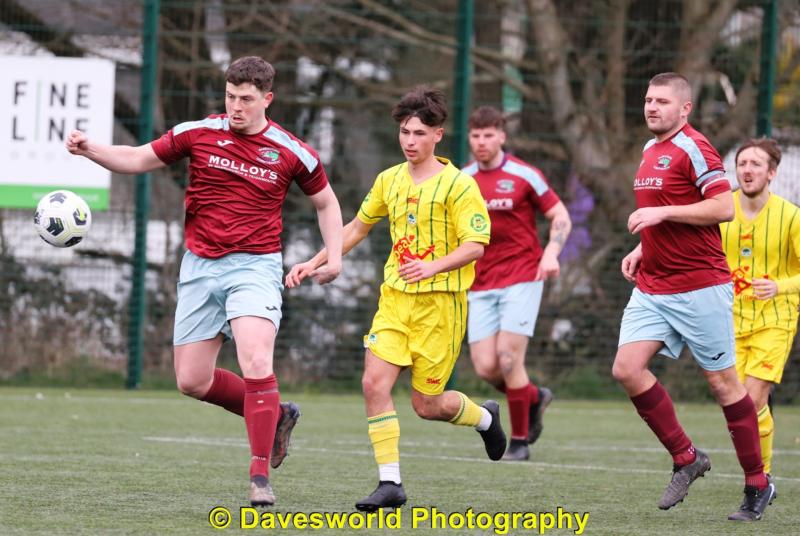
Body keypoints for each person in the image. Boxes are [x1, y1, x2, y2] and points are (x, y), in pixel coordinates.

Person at [66, 56, 343, 507]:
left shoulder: (292, 151)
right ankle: (277, 417)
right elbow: (138, 158)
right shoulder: (197, 132)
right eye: (231, 96)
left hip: (254, 267)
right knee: (192, 381)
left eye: (247, 100)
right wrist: (91, 148)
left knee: (256, 359)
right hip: (199, 266)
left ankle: (259, 478)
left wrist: (334, 258)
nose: (236, 106)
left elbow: (327, 204)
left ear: (267, 100)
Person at [286, 86, 506, 511]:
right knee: (373, 383)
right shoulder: (389, 179)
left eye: (419, 133)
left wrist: (433, 266)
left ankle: (484, 417)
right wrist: (316, 262)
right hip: (395, 301)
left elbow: (476, 244)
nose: (409, 141)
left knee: (427, 405)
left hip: (440, 306)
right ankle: (391, 483)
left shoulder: (459, 186)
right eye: (404, 131)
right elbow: (355, 228)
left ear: (438, 135)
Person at [611, 72, 774, 521]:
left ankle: (758, 484)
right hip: (654, 286)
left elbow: (724, 207)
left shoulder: (695, 148)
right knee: (626, 369)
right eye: (647, 99)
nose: (651, 107)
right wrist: (643, 246)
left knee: (724, 385)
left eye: (662, 101)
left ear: (685, 109)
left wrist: (660, 212)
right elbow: (665, 216)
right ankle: (687, 457)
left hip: (701, 286)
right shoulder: (650, 150)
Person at [461, 106, 571, 461]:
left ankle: (520, 442)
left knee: (509, 359)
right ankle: (534, 397)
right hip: (479, 282)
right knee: (485, 367)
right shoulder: (462, 180)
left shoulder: (525, 175)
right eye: (475, 136)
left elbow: (560, 215)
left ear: (502, 137)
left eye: (488, 135)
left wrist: (552, 251)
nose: (481, 142)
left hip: (524, 276)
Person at [720, 137, 800, 495]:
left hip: (775, 319)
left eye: (755, 164)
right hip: (729, 321)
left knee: (751, 401)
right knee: (741, 407)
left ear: (771, 173)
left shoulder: (791, 216)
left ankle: (759, 480)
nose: (747, 169)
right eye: (742, 163)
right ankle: (762, 477)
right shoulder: (721, 211)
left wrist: (779, 287)